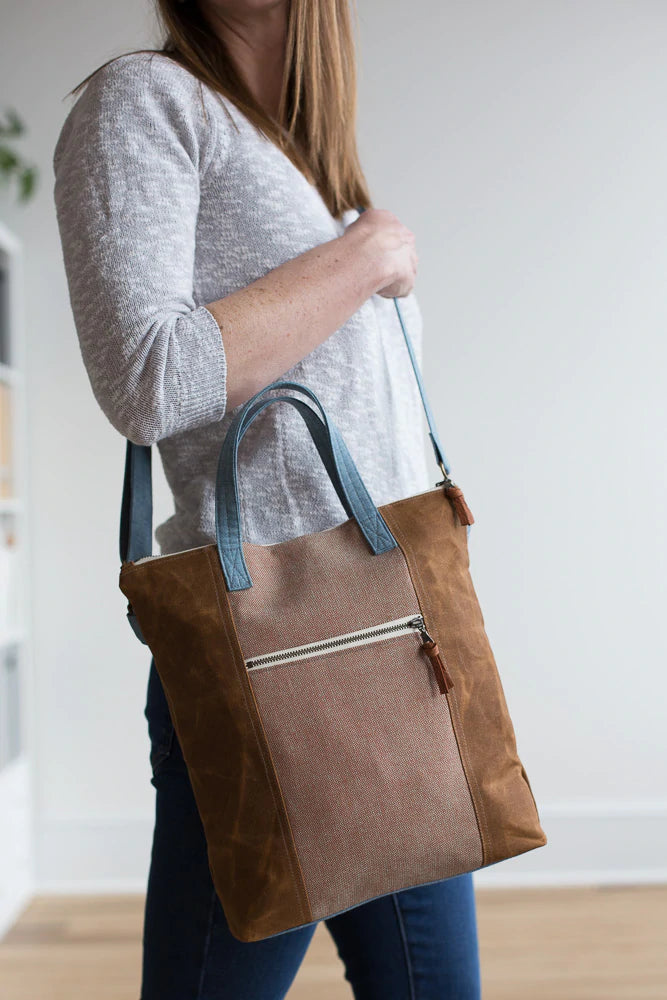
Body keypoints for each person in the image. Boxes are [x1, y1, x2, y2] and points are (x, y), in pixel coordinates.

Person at [52, 1, 481, 997]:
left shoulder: (305, 165)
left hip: (398, 646)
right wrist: (364, 257)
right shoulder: (144, 101)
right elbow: (148, 379)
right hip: (267, 663)